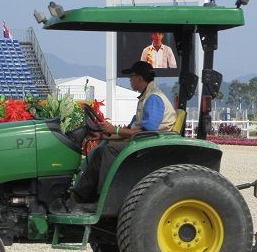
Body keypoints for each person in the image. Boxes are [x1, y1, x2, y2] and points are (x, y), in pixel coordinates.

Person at [50, 60, 176, 213]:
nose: (130, 80)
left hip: (152, 145)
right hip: (143, 141)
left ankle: (103, 199)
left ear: (140, 78)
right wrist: (103, 135)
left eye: (131, 76)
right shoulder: (146, 97)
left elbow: (147, 131)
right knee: (98, 151)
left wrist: (114, 131)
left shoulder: (154, 98)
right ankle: (78, 196)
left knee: (109, 151)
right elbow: (131, 129)